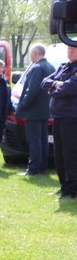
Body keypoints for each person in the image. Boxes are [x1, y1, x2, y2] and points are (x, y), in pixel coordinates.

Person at [42, 45, 77, 199]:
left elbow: (69, 88)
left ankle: (72, 190)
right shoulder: (64, 67)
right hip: (58, 116)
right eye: (69, 49)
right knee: (59, 154)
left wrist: (54, 87)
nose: (70, 51)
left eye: (74, 49)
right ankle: (64, 187)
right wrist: (56, 85)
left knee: (70, 154)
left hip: (72, 117)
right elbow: (44, 82)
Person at [16, 43, 54, 175]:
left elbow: (31, 91)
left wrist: (23, 105)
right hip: (44, 110)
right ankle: (42, 166)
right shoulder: (50, 67)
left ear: (36, 53)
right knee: (43, 139)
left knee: (34, 141)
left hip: (33, 111)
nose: (31, 56)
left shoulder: (37, 68)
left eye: (31, 53)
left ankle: (33, 169)